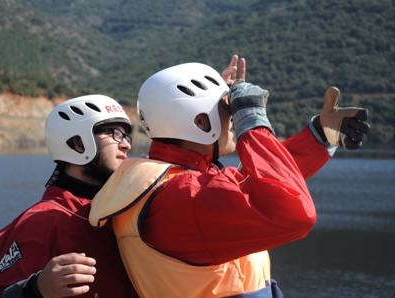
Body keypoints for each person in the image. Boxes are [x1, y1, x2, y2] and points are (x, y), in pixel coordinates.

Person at [88, 56, 370, 297]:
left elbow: (253, 184)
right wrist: (252, 119)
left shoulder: (163, 180)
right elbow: (292, 213)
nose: (234, 117)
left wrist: (318, 138)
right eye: (227, 109)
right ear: (199, 121)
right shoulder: (182, 195)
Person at [0, 95, 139, 298]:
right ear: (78, 143)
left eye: (126, 136)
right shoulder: (43, 221)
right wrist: (37, 289)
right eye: (114, 133)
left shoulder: (120, 210)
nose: (126, 145)